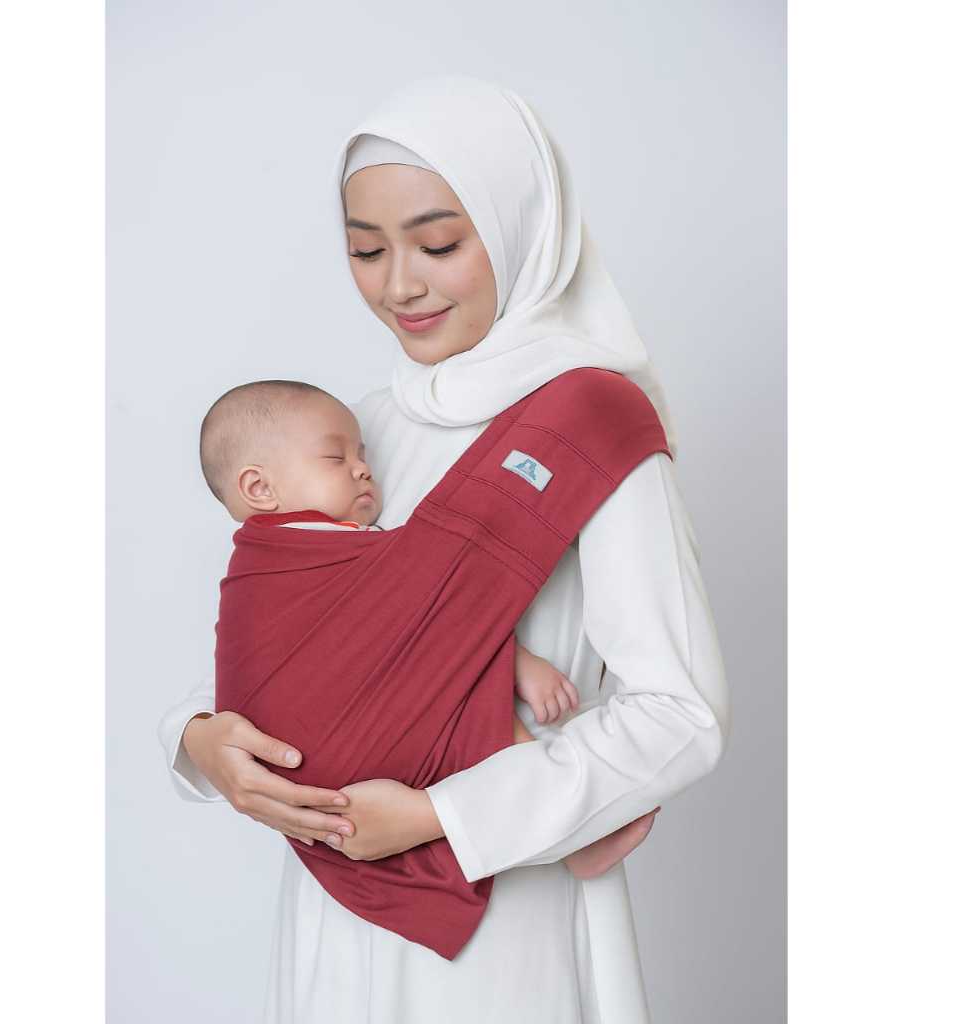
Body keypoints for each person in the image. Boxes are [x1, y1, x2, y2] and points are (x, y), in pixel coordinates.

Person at [157, 76, 730, 1023]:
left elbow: (681, 715)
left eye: (438, 244)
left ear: (519, 229)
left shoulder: (590, 426)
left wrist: (441, 818)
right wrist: (198, 739)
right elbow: (296, 639)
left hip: (501, 926)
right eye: (365, 250)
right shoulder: (353, 431)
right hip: (333, 910)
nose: (399, 285)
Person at [200, 376, 667, 956]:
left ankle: (571, 831)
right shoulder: (279, 563)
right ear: (259, 487)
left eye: (362, 455)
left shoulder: (334, 551)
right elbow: (428, 613)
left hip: (331, 775)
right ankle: (576, 835)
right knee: (475, 705)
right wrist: (517, 662)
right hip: (298, 757)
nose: (362, 469)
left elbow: (416, 625)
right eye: (336, 458)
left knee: (459, 696)